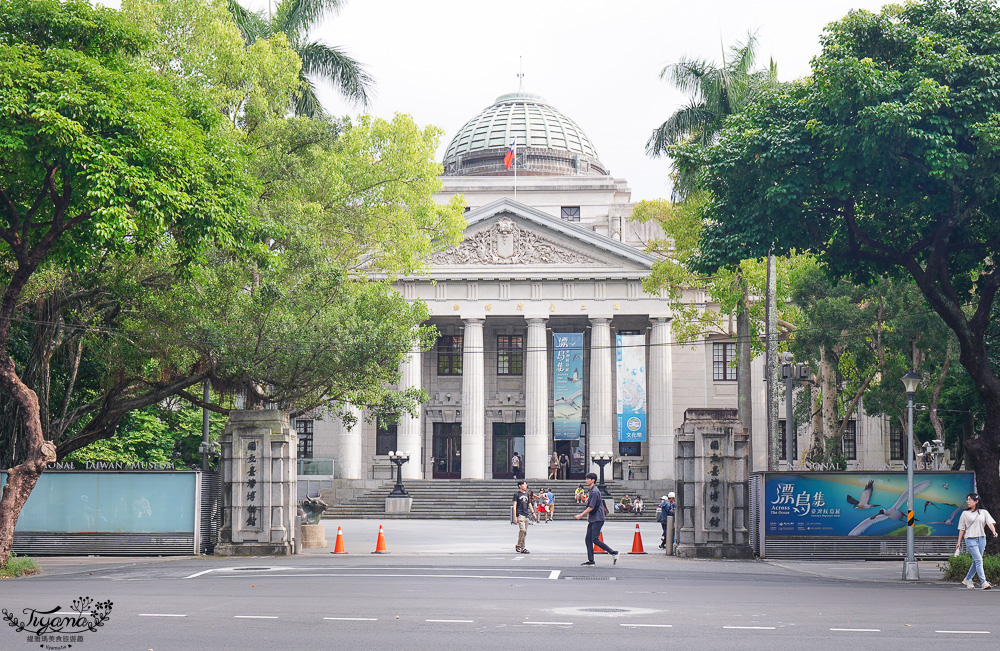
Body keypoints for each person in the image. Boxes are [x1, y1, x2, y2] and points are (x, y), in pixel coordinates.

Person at [574, 473, 619, 565]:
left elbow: (591, 507)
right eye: (586, 479)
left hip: (598, 518)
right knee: (588, 539)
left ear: (593, 480)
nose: (586, 481)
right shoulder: (592, 491)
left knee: (594, 539)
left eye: (588, 479)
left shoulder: (594, 491)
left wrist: (581, 515)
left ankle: (614, 553)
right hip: (594, 518)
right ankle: (591, 561)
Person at [956, 492, 998, 589]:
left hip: (981, 538)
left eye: (970, 499)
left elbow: (990, 523)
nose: (968, 501)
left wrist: (994, 531)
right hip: (970, 539)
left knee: (976, 561)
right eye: (967, 500)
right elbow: (962, 528)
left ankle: (967, 579)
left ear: (976, 501)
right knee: (979, 560)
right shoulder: (965, 513)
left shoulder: (984, 512)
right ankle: (984, 582)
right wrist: (959, 542)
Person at [512, 480, 534, 553]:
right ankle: (518, 544)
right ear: (520, 486)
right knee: (523, 530)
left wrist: (533, 512)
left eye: (526, 485)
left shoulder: (527, 494)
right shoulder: (516, 494)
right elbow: (514, 506)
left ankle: (522, 548)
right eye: (524, 485)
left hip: (526, 514)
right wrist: (515, 516)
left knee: (525, 532)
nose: (526, 486)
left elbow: (529, 504)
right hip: (520, 514)